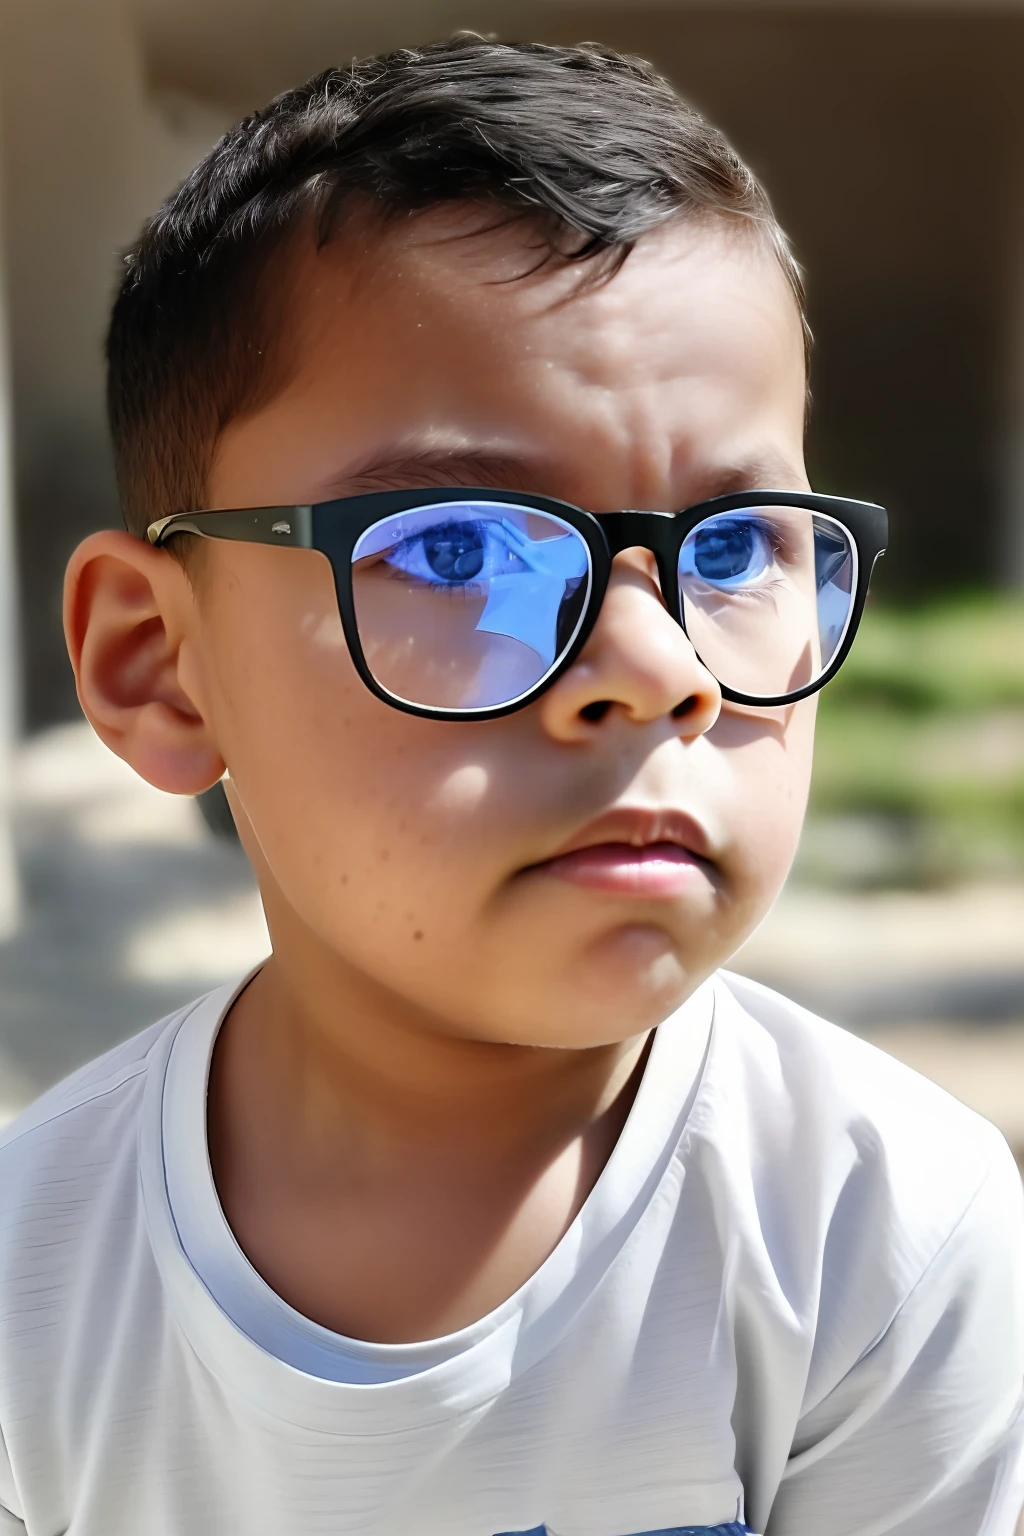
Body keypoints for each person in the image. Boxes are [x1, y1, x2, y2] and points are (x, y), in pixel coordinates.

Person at [0, 35, 1020, 1536]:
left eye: (733, 550)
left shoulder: (884, 1233)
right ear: (161, 664)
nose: (659, 665)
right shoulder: (33, 1274)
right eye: (460, 550)